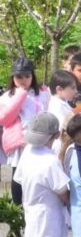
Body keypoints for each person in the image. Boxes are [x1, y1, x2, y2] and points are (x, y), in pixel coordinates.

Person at [0, 57, 50, 204]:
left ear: (32, 76)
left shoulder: (41, 93)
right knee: (18, 174)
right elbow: (5, 119)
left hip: (40, 138)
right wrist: (20, 96)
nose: (23, 80)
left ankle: (34, 202)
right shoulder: (7, 97)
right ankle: (17, 207)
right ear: (13, 77)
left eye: (27, 76)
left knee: (38, 172)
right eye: (19, 77)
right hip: (20, 140)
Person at [47, 70, 77, 156]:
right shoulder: (56, 106)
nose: (76, 91)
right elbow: (64, 127)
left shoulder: (64, 102)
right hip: (60, 147)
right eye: (72, 88)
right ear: (59, 89)